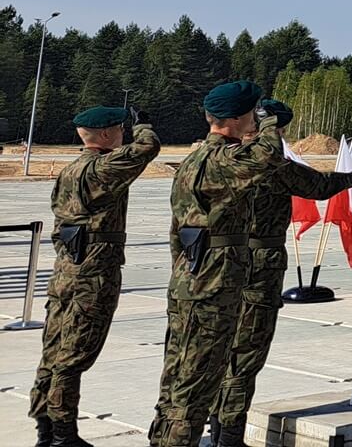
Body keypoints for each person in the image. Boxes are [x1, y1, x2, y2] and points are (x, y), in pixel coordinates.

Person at [210, 100, 352, 446]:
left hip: (218, 263)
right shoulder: (269, 164)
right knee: (246, 354)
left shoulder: (216, 159)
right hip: (259, 264)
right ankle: (229, 438)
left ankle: (215, 424)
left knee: (219, 348)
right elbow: (316, 185)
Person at [149, 81, 288, 447]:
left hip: (190, 276)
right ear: (240, 117)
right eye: (253, 113)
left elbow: (176, 232)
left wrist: (186, 268)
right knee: (197, 385)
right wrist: (269, 124)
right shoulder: (226, 160)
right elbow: (269, 157)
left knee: (176, 380)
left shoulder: (192, 161)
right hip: (213, 283)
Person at [30, 106, 160, 447]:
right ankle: (63, 435)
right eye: (118, 130)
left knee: (54, 349)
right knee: (74, 355)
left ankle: (46, 431)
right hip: (94, 272)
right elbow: (147, 148)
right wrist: (143, 124)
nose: (123, 135)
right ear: (103, 135)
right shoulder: (104, 167)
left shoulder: (70, 170)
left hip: (66, 269)